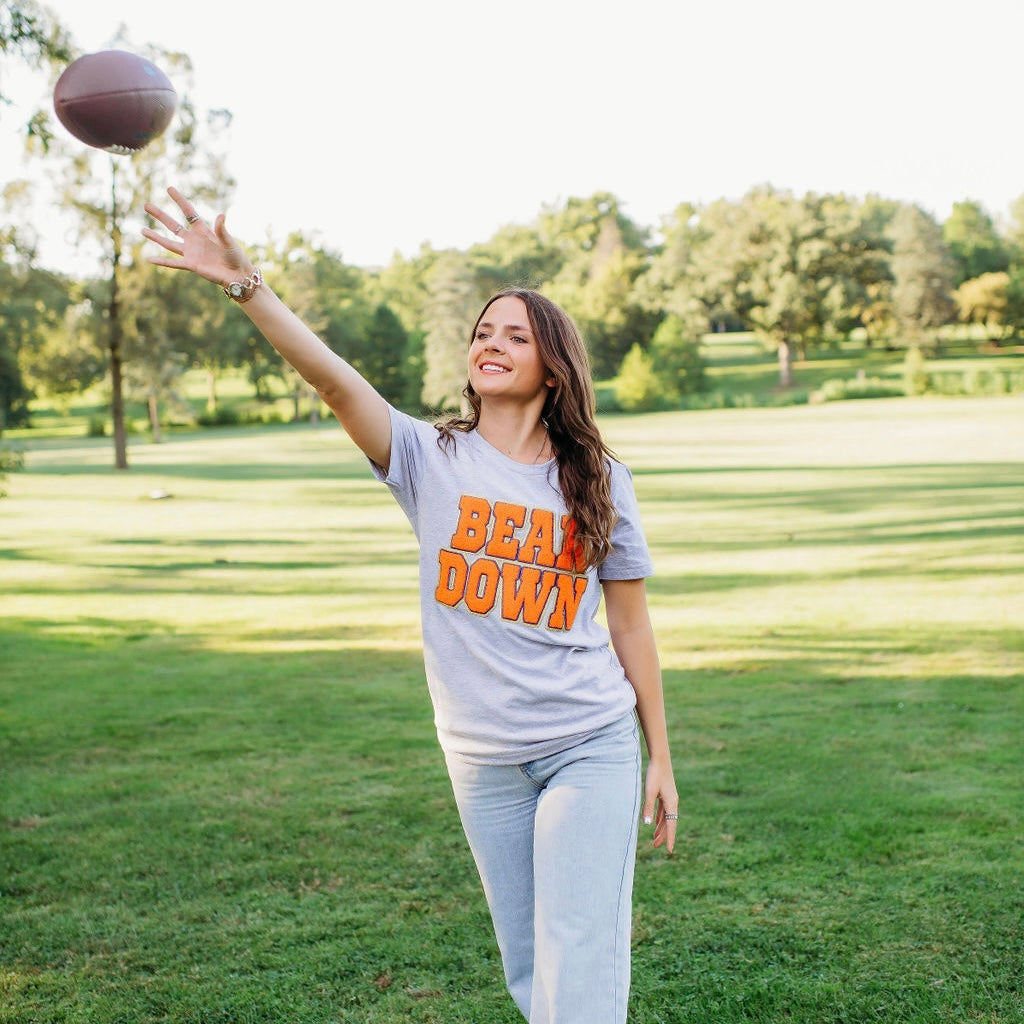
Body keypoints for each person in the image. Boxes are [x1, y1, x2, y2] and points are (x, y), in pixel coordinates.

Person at [142, 187, 678, 1024]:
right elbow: (330, 379)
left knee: (581, 961)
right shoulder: (428, 456)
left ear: (554, 365)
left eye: (515, 334)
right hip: (482, 757)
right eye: (482, 332)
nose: (490, 343)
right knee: (531, 963)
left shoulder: (601, 481)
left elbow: (631, 623)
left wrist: (662, 755)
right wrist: (246, 284)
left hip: (588, 742)